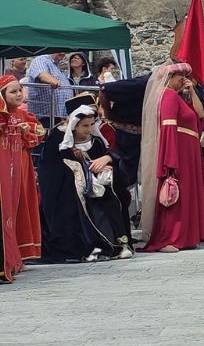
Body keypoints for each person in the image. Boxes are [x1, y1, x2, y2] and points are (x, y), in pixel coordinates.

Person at [38, 101, 133, 263]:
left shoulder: (96, 141)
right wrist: (85, 171)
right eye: (85, 126)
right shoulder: (58, 140)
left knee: (111, 198)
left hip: (99, 187)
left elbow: (111, 156)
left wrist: (107, 159)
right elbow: (51, 169)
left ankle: (119, 243)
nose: (89, 129)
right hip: (70, 190)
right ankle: (92, 245)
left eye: (91, 125)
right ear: (74, 125)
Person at [140, 62, 204, 253]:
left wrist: (191, 91)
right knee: (175, 193)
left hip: (189, 152)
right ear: (169, 78)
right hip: (179, 152)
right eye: (180, 76)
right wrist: (170, 159)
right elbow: (168, 129)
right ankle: (169, 237)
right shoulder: (168, 96)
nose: (183, 80)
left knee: (187, 194)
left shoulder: (178, 97)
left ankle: (186, 236)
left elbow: (200, 114)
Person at [0, 71, 43, 281]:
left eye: (20, 90)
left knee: (21, 208)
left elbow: (39, 133)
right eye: (13, 91)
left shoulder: (23, 115)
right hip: (5, 168)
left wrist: (24, 132)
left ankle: (19, 256)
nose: (19, 94)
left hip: (21, 167)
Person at [25, 50, 71, 140]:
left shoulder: (56, 65)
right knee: (43, 143)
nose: (63, 53)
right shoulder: (41, 59)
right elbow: (42, 75)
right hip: (44, 117)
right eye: (60, 49)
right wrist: (54, 81)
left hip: (57, 117)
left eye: (65, 51)